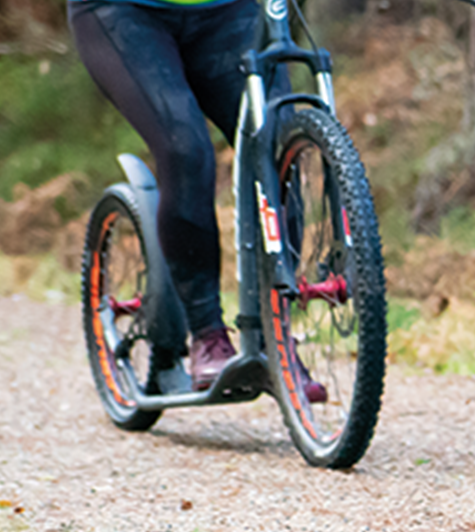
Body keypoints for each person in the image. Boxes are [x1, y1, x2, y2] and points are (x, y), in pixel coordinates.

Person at [71, 0, 324, 401]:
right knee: (186, 149)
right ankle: (207, 336)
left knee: (276, 137)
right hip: (124, 13)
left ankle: (275, 335)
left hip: (227, 10)